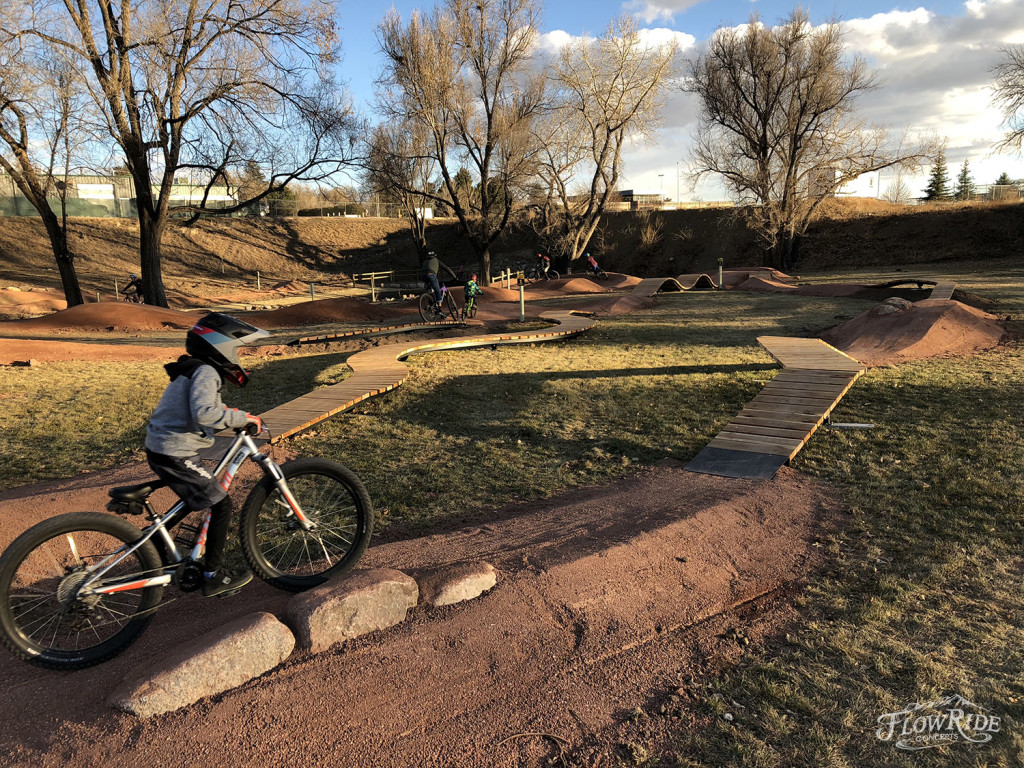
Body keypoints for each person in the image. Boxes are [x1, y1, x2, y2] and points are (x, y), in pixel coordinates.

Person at [145, 313, 269, 598]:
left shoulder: (195, 368)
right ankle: (212, 575)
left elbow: (202, 408)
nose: (238, 358)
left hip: (164, 446)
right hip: (174, 451)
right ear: (221, 347)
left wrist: (235, 415)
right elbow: (205, 413)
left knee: (203, 491)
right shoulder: (206, 372)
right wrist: (239, 418)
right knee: (221, 503)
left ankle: (154, 542)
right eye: (237, 350)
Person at [421, 249, 457, 315]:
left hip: (423, 276)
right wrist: (454, 276)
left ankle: (431, 303)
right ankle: (439, 310)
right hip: (431, 275)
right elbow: (446, 268)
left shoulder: (425, 261)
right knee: (437, 290)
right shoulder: (436, 260)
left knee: (431, 290)